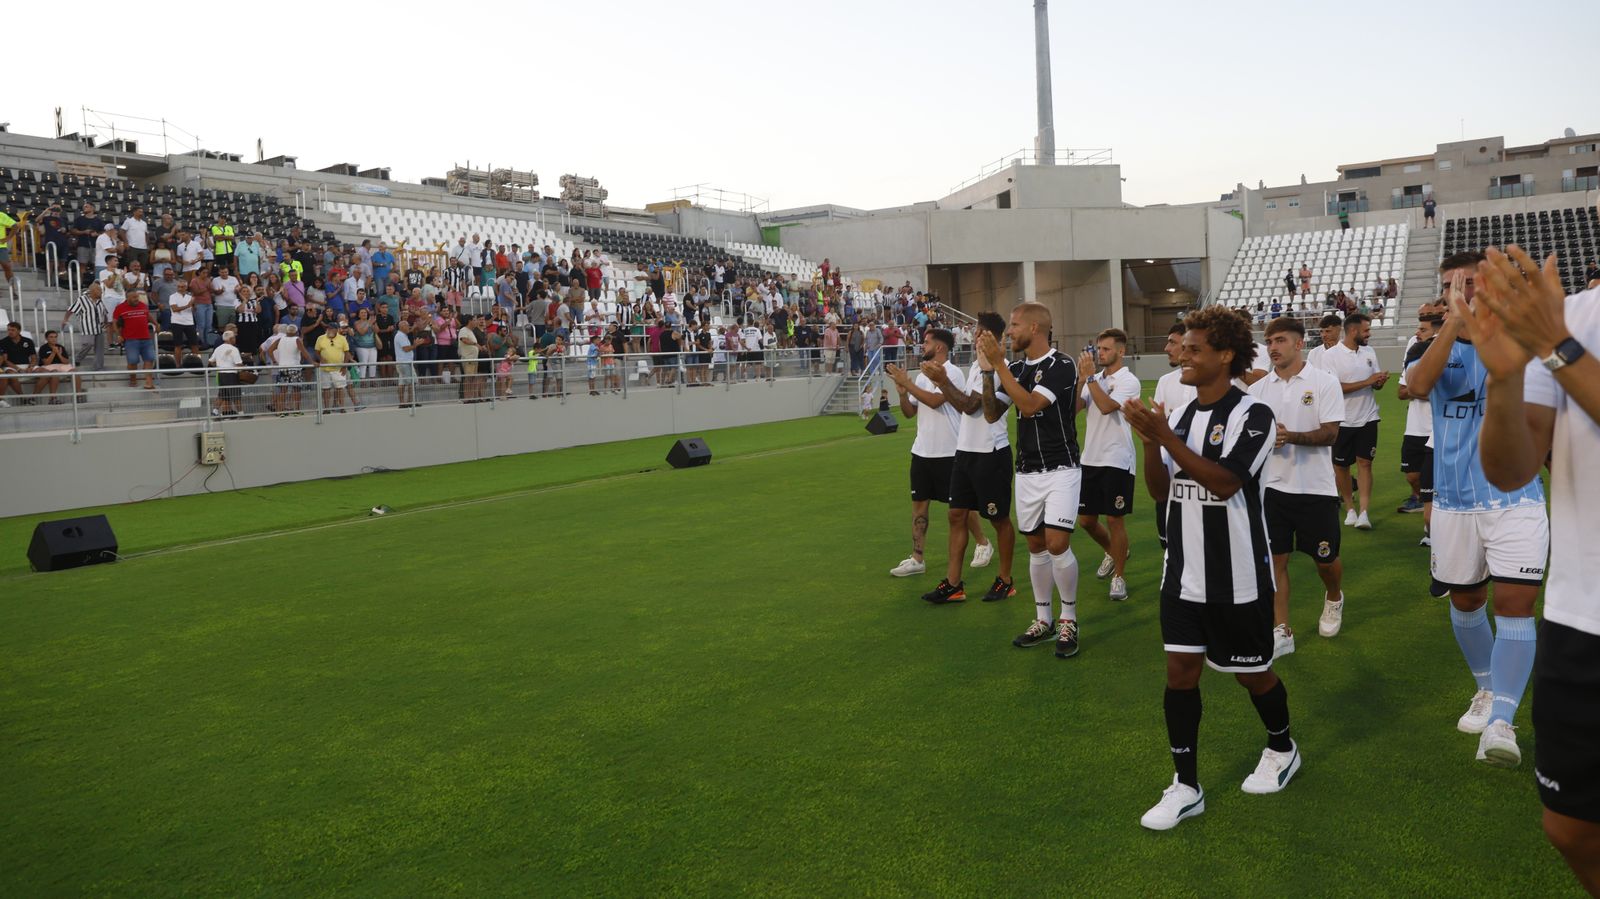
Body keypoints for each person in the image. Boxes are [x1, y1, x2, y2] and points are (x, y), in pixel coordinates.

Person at [1120, 304, 1298, 831]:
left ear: (1225, 355)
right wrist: (1150, 444)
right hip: (1182, 573)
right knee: (1179, 674)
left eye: (1194, 350)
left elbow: (1225, 483)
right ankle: (1186, 785)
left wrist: (1166, 438)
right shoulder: (1179, 417)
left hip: (1238, 576)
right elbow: (1160, 491)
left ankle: (1282, 748)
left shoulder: (1253, 415)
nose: (1183, 357)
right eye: (1183, 349)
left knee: (1251, 673)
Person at [1467, 244, 1600, 894]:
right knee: (1570, 826)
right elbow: (1512, 468)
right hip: (1580, 613)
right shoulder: (1571, 313)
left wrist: (1556, 348)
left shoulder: (1558, 328)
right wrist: (1504, 379)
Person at [1403, 253, 1548, 768]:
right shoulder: (1430, 348)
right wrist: (1454, 324)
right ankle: (1486, 687)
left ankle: (1502, 722)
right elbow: (1419, 387)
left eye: (1469, 283)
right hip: (1454, 502)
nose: (1459, 290)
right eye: (1451, 284)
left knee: (1515, 605)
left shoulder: (1522, 341)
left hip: (1516, 499)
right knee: (1467, 602)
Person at [977, 302, 1085, 657]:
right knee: (1037, 546)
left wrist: (998, 365)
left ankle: (1069, 618)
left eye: (1014, 325)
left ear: (1035, 328)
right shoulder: (1017, 368)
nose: (1009, 332)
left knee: (1057, 543)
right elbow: (992, 414)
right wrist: (988, 372)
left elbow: (1030, 405)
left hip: (1061, 468)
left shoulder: (1062, 365)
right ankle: (1043, 619)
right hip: (1027, 470)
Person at [1246, 317, 1346, 659]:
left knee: (1325, 560)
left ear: (1299, 343)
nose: (1273, 347)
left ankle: (1334, 596)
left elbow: (1331, 433)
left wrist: (1291, 437)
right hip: (1272, 489)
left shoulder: (1324, 382)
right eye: (1269, 341)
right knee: (1276, 560)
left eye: (1280, 340)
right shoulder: (1257, 391)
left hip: (1316, 488)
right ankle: (1281, 629)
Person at [922, 312, 1018, 604]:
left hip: (991, 453)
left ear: (993, 338)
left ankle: (1005, 580)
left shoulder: (1002, 369)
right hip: (965, 451)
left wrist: (942, 382)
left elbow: (970, 406)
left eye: (980, 333)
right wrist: (943, 383)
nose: (975, 337)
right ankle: (954, 584)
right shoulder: (976, 366)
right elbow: (964, 404)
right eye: (976, 332)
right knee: (956, 515)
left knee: (998, 519)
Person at [886, 329, 988, 589]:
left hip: (949, 451)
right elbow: (909, 412)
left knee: (960, 508)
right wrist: (902, 392)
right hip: (922, 451)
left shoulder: (952, 373)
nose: (923, 345)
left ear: (940, 347)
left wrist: (908, 384)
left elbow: (934, 401)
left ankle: (983, 543)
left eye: (927, 341)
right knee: (919, 506)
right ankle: (917, 558)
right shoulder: (921, 376)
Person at [1075, 328, 1142, 601]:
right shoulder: (1095, 378)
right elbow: (1073, 409)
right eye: (1098, 349)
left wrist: (1090, 378)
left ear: (1120, 351)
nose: (1100, 353)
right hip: (1090, 458)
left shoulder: (1128, 380)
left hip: (1117, 459)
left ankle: (1119, 578)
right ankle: (1113, 552)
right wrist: (1082, 379)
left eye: (1105, 349)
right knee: (1086, 521)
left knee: (1114, 519)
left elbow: (1106, 407)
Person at [1323, 312, 1385, 529]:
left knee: (1365, 463)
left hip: (1368, 416)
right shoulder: (1331, 356)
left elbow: (1374, 382)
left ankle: (1364, 513)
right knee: (1341, 466)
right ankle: (1350, 508)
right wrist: (1367, 381)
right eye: (1366, 330)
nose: (1369, 334)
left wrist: (1378, 382)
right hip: (1342, 420)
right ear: (1352, 331)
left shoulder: (1369, 351)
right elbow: (1334, 388)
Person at [1152, 321, 1197, 550]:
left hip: (1202, 477)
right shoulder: (1165, 381)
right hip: (1168, 475)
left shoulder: (1216, 382)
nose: (1166, 348)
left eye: (1172, 342)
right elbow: (1156, 428)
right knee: (1169, 545)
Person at [1396, 317, 1439, 536]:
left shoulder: (1445, 357)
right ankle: (1423, 499)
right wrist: (1427, 392)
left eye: (1423, 329)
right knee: (1412, 475)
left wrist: (1418, 391)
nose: (1417, 333)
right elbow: (1402, 392)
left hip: (1437, 429)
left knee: (1437, 478)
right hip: (1415, 426)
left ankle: (1433, 518)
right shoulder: (1414, 357)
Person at [111, 290, 157, 390]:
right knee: (132, 361)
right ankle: (133, 379)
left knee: (149, 359)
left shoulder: (143, 305)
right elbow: (114, 322)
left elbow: (148, 315)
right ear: (127, 298)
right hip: (130, 339)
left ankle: (148, 382)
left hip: (146, 338)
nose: (137, 299)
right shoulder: (120, 308)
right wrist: (118, 335)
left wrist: (156, 324)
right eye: (134, 297)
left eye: (137, 297)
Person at [0, 321, 38, 405]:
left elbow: (34, 358)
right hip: (11, 366)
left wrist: (30, 367)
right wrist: (18, 369)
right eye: (8, 330)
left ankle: (33, 397)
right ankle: (23, 398)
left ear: (19, 331)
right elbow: (5, 360)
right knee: (11, 375)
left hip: (27, 365)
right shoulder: (3, 342)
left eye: (13, 330)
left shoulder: (28, 341)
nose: (10, 332)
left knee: (44, 372)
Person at [209, 329, 243, 417]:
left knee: (222, 394)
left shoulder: (218, 348)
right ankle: (241, 413)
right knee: (236, 395)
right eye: (234, 338)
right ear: (230, 339)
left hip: (221, 374)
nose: (235, 339)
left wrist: (219, 366)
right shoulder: (234, 349)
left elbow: (211, 361)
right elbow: (239, 363)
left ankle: (214, 412)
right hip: (231, 374)